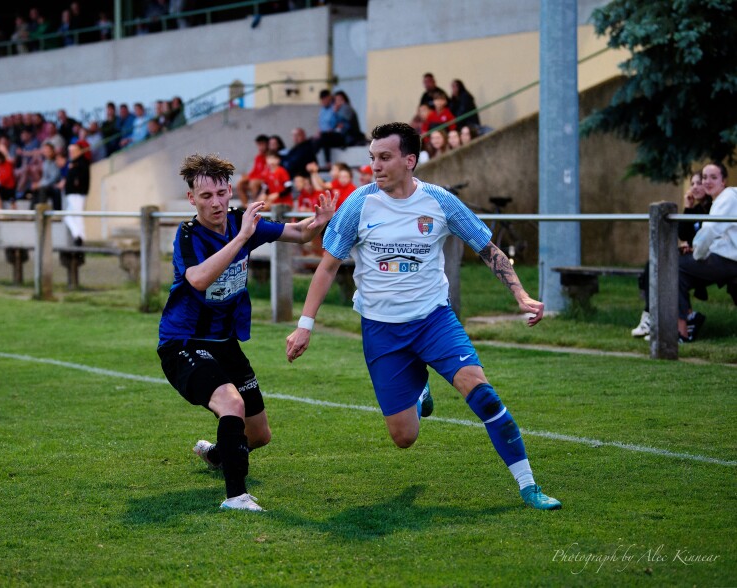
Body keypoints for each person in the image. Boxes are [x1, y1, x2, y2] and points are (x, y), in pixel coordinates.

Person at [285, 122, 561, 511]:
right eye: (372, 158)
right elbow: (328, 267)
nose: (375, 166)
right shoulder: (358, 204)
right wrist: (305, 325)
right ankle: (420, 392)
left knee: (481, 394)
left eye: (384, 158)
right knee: (404, 437)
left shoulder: (440, 201)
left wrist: (520, 293)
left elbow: (487, 248)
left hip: (434, 321)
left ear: (409, 160)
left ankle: (529, 486)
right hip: (381, 331)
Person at [157, 153, 335, 512]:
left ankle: (217, 453)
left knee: (259, 435)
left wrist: (319, 221)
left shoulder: (242, 222)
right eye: (206, 197)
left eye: (221, 193)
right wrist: (241, 239)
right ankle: (236, 497)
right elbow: (199, 279)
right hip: (184, 343)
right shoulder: (188, 234)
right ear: (192, 199)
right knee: (230, 402)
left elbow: (299, 233)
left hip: (226, 343)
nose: (216, 202)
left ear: (229, 192)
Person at [631, 171, 710, 338]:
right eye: (692, 183)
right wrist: (688, 208)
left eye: (699, 183)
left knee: (671, 268)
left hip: (706, 259)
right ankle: (651, 316)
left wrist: (692, 246)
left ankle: (668, 320)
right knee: (654, 262)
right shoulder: (694, 210)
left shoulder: (714, 208)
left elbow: (710, 236)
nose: (695, 187)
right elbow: (683, 234)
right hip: (692, 256)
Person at [676, 162, 737, 341]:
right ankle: (684, 327)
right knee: (680, 275)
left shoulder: (728, 197)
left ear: (723, 181)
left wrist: (697, 254)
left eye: (713, 177)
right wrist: (697, 248)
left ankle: (683, 330)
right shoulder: (721, 200)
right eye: (704, 177)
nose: (707, 181)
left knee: (675, 268)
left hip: (729, 261)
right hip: (725, 258)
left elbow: (710, 231)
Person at [62, 143, 89, 246]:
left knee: (78, 215)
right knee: (68, 216)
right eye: (70, 152)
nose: (71, 153)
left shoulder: (82, 162)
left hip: (77, 193)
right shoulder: (72, 162)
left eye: (73, 151)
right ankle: (78, 235)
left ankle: (81, 238)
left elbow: (80, 179)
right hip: (71, 193)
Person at [234, 134, 269, 206]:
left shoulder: (270, 156)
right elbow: (254, 171)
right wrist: (246, 177)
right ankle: (245, 205)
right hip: (256, 179)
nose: (260, 147)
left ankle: (256, 205)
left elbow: (266, 173)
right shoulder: (258, 157)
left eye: (262, 144)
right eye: (259, 145)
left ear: (267, 144)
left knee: (253, 183)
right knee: (240, 183)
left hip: (265, 180)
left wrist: (251, 178)